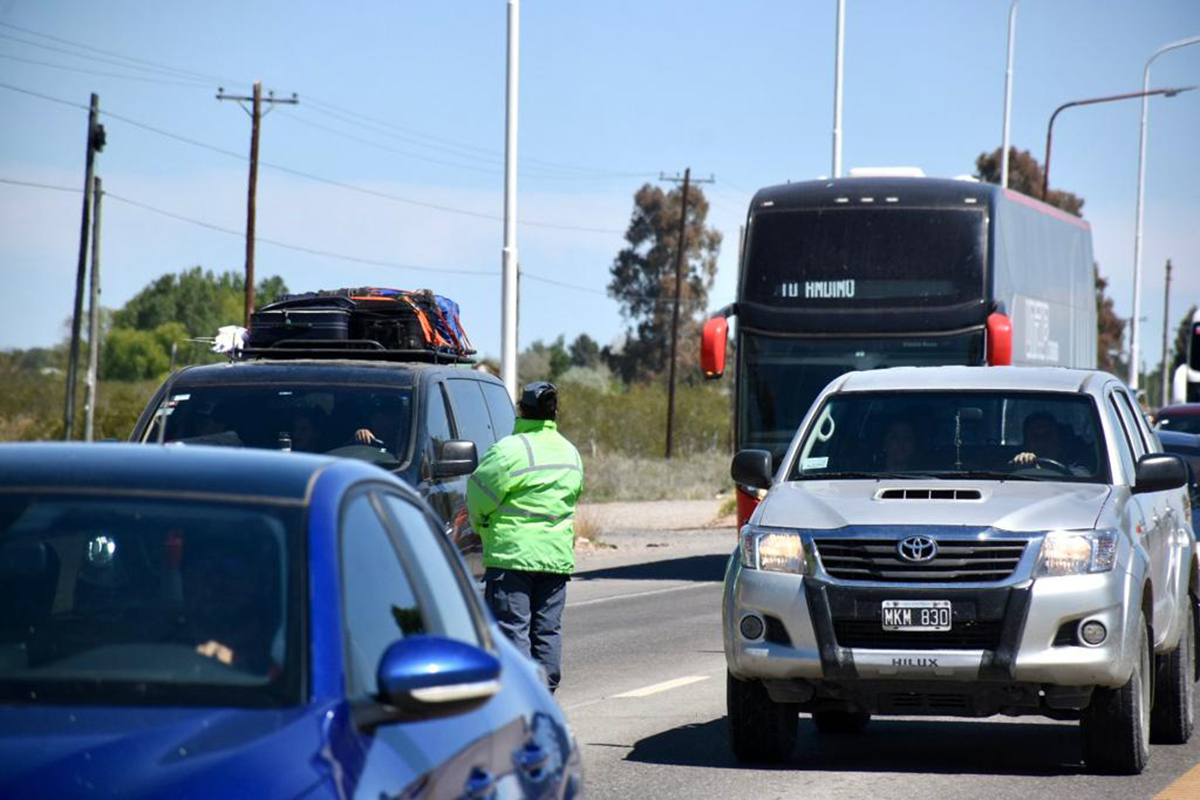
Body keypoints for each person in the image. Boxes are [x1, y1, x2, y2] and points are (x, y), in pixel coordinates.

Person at [466, 381, 583, 693]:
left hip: (512, 556)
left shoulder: (507, 451)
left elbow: (477, 496)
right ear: (554, 412)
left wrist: (481, 524)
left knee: (512, 629)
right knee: (547, 630)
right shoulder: (571, 453)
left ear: (521, 410)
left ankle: (522, 694)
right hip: (555, 559)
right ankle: (545, 691)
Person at [1011, 411, 1082, 469]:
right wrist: (1022, 463)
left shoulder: (1078, 470)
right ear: (1025, 443)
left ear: (1058, 441)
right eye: (1035, 436)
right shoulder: (1007, 473)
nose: (1041, 441)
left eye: (1047, 435)